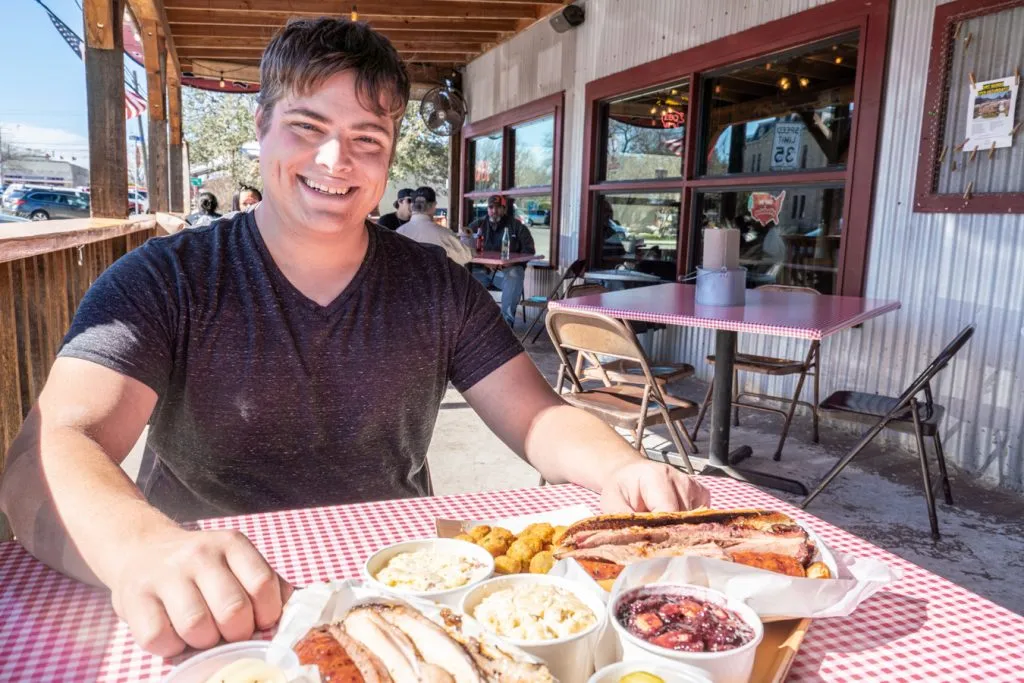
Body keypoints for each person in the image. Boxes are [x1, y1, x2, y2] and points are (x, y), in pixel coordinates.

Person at [0, 18, 708, 659]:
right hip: (209, 611)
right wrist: (142, 549)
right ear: (262, 126)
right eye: (307, 127)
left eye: (367, 139)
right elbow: (47, 452)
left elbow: (537, 414)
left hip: (398, 593)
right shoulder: (165, 278)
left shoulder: (435, 284)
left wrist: (621, 469)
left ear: (389, 158)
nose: (336, 160)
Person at [467, 194, 535, 326]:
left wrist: (513, 262)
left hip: (504, 273)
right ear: (487, 209)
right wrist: (483, 261)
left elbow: (529, 250)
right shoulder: (478, 224)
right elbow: (464, 245)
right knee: (461, 274)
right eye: (491, 207)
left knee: (516, 273)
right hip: (481, 272)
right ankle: (469, 324)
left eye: (498, 207)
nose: (494, 210)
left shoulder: (516, 226)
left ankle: (506, 324)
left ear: (504, 209)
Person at [397, 186, 472, 265]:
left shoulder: (398, 233)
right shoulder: (444, 234)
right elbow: (466, 256)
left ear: (412, 206)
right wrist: (466, 238)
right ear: (434, 206)